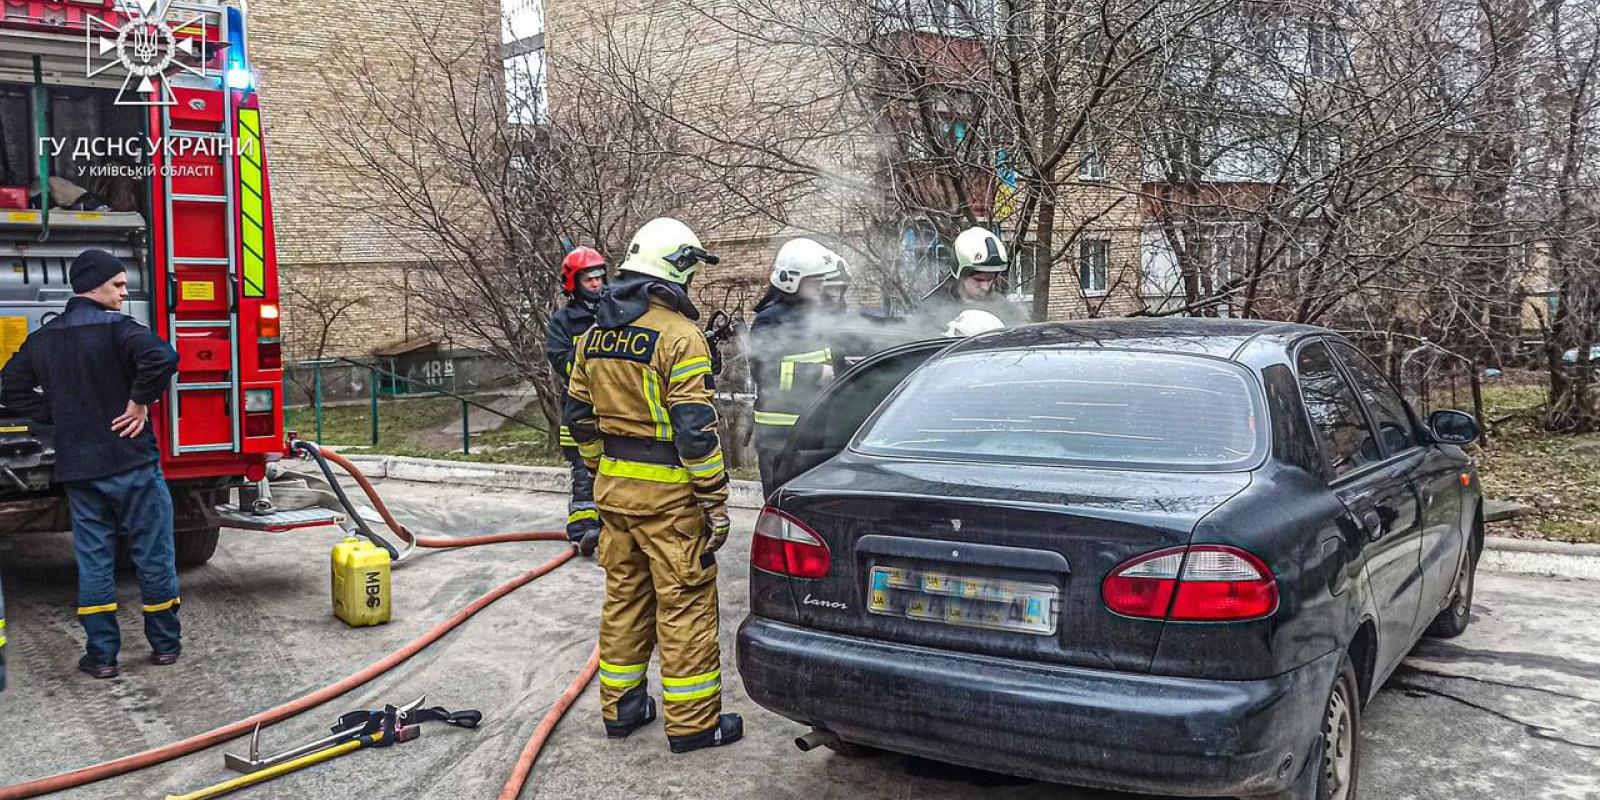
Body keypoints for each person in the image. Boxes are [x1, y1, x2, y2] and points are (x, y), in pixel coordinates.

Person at [563, 217, 743, 754]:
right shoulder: (680, 336)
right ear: (677, 270)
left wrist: (600, 470)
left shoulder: (594, 334)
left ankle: (622, 710)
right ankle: (693, 725)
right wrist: (714, 502)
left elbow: (578, 417)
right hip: (671, 501)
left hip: (614, 494)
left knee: (625, 598)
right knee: (684, 604)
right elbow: (694, 431)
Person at [0, 249, 180, 679]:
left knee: (94, 561)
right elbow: (164, 358)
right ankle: (165, 646)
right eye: (117, 285)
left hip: (81, 471)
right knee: (152, 555)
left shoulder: (45, 338)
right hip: (132, 464)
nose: (123, 292)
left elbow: (9, 388)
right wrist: (138, 402)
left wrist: (60, 413)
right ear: (94, 286)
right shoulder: (121, 330)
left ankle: (101, 656)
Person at [747, 237, 851, 497]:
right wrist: (816, 374)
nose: (821, 286)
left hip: (813, 430)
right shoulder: (769, 320)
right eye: (814, 280)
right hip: (779, 436)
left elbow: (834, 358)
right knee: (783, 505)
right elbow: (765, 374)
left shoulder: (815, 315)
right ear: (792, 280)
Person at [545, 246, 608, 556]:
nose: (595, 284)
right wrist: (590, 352)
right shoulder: (564, 321)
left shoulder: (615, 310)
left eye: (598, 278)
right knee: (584, 476)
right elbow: (561, 362)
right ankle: (584, 531)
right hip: (580, 410)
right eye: (588, 279)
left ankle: (610, 528)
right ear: (574, 283)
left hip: (613, 410)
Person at [918, 226, 1027, 331]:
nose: (985, 287)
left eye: (991, 279)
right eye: (978, 280)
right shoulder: (930, 312)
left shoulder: (1007, 311)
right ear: (960, 274)